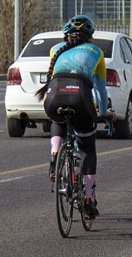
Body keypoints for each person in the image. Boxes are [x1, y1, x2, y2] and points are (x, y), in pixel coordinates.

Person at [36, 15, 111, 219]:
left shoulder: (55, 50)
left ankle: (54, 154)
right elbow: (101, 90)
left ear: (66, 37)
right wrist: (104, 113)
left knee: (58, 119)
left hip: (53, 96)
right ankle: (88, 198)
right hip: (80, 97)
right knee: (87, 148)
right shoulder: (97, 52)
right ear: (90, 38)